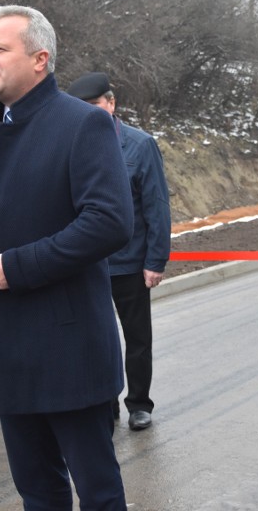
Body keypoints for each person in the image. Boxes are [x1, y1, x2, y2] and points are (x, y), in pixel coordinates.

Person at [0, 5, 133, 509]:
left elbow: (109, 222)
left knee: (96, 490)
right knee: (38, 492)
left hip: (68, 349)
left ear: (39, 59)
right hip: (4, 348)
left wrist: (12, 267)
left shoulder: (83, 125)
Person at [66, 72, 171, 431]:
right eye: (83, 108)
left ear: (111, 104)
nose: (90, 113)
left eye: (95, 105)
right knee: (96, 339)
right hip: (87, 264)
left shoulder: (140, 145)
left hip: (130, 263)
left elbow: (156, 205)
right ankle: (104, 400)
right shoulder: (72, 145)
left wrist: (155, 260)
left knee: (137, 338)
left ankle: (139, 404)